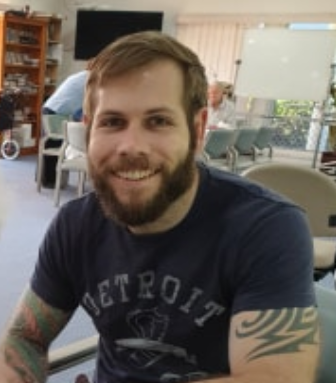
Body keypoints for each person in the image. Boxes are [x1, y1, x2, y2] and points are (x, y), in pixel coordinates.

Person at [0, 31, 320, 383]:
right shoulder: (76, 224)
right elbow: (24, 338)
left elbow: (275, 378)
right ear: (90, 131)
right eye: (113, 122)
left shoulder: (265, 227)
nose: (131, 145)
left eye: (158, 121)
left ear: (198, 132)